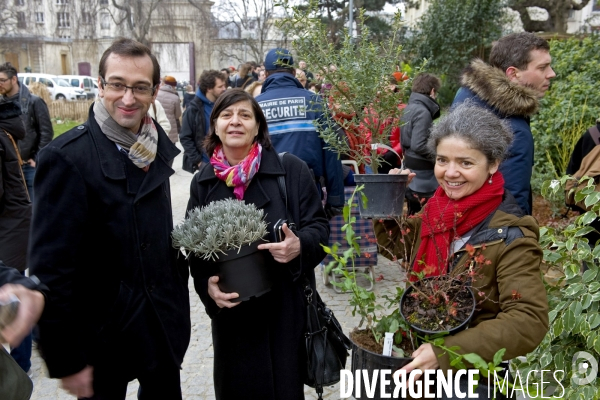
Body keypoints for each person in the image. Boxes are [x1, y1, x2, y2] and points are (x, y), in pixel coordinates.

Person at [29, 38, 191, 399]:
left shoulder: (155, 145)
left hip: (161, 327)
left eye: (139, 87)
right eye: (117, 84)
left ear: (153, 92)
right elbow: (50, 269)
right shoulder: (65, 157)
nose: (128, 98)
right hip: (102, 339)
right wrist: (65, 359)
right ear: (100, 85)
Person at [375, 103, 548, 399]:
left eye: (466, 163)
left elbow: (528, 320)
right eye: (442, 160)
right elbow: (396, 249)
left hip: (472, 378)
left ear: (492, 164)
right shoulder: (437, 209)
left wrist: (445, 353)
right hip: (420, 366)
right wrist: (391, 201)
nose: (450, 173)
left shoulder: (511, 235)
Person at [185, 89, 329, 399]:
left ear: (257, 126)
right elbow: (194, 251)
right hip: (233, 317)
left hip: (284, 313)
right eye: (227, 115)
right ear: (215, 126)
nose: (235, 122)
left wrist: (299, 245)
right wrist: (208, 289)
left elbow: (320, 227)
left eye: (245, 115)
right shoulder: (203, 182)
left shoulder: (290, 171)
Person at [452, 32, 556, 215]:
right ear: (513, 74)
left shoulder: (467, 96)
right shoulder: (513, 129)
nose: (551, 74)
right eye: (543, 67)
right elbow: (512, 204)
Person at [256, 48, 344, 215]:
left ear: (266, 74)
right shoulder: (314, 101)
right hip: (308, 189)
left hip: (266, 192)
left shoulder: (254, 106)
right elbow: (332, 150)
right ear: (294, 72)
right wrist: (336, 198)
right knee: (309, 238)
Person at [0, 100, 33, 373]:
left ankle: (18, 367)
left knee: (12, 292)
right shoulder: (6, 129)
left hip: (8, 225)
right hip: (15, 221)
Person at [0, 62, 53, 202]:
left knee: (34, 209)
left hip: (29, 167)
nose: (0, 84)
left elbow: (46, 133)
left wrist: (37, 158)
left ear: (13, 79)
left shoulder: (33, 102)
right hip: (8, 169)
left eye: (2, 80)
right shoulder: (1, 104)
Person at [400, 73, 441, 214]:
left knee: (413, 218)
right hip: (425, 179)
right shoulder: (423, 112)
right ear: (432, 91)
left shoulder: (409, 108)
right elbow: (418, 145)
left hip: (412, 171)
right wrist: (440, 154)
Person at [180, 69, 227, 173]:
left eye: (224, 85)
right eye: (220, 86)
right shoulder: (193, 110)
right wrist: (199, 162)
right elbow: (185, 137)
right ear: (209, 88)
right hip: (206, 164)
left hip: (227, 163)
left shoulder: (225, 104)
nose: (224, 89)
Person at [566, 118, 600, 248]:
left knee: (590, 247)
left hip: (590, 206)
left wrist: (575, 202)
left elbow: (573, 171)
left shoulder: (591, 134)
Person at [156, 75, 182, 145]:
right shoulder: (175, 97)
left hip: (157, 126)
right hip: (171, 129)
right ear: (173, 86)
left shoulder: (156, 94)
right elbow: (178, 115)